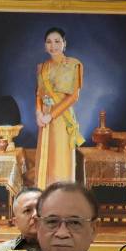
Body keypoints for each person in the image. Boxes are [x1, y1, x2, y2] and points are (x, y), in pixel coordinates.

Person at [34, 27, 84, 187]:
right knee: (46, 159)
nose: (53, 45)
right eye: (49, 42)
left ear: (64, 43)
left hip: (62, 118)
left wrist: (51, 115)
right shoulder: (41, 67)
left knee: (60, 160)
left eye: (57, 41)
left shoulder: (74, 65)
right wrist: (38, 113)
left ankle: (63, 197)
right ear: (45, 46)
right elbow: (38, 93)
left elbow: (74, 96)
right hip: (44, 119)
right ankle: (45, 196)